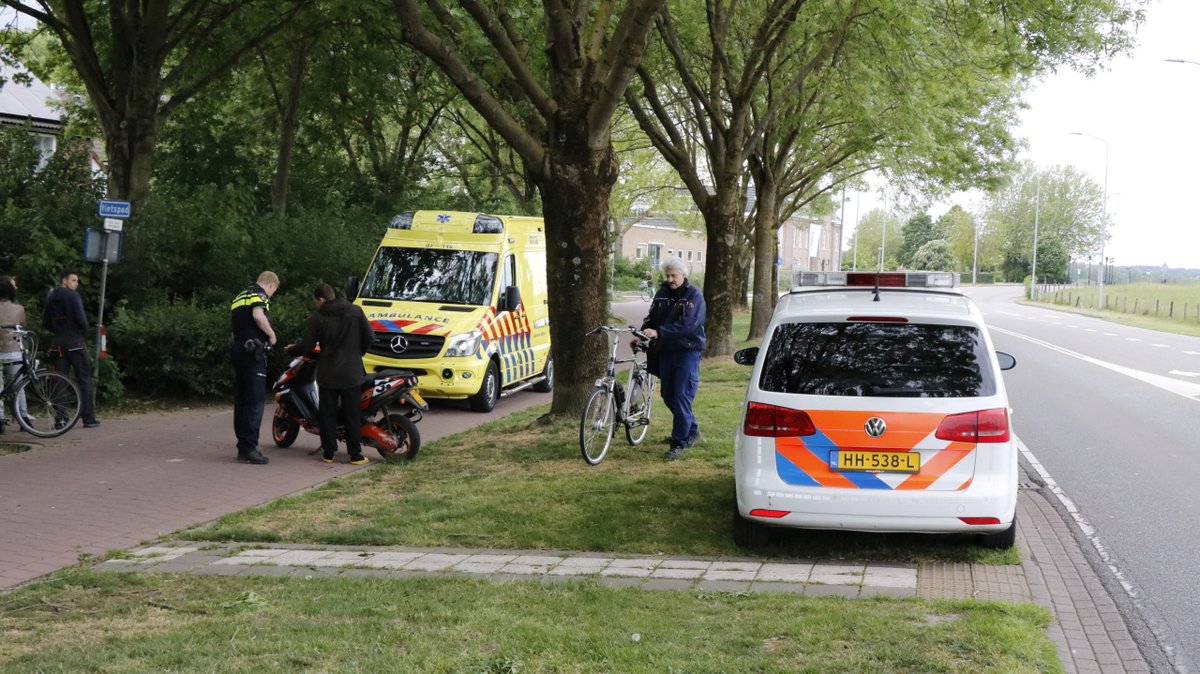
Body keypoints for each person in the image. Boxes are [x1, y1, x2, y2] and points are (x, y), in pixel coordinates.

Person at [286, 283, 374, 465]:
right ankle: (355, 455)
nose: (316, 305)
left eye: (316, 302)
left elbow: (307, 346)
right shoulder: (355, 311)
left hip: (328, 373)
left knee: (327, 414)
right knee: (352, 414)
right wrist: (357, 353)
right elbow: (370, 337)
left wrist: (291, 349)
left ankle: (328, 453)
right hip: (352, 372)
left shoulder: (317, 317)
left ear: (320, 299)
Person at [639, 256, 706, 460]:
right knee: (668, 395)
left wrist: (660, 332)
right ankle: (691, 430)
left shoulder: (694, 295)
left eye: (673, 276)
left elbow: (689, 324)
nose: (670, 279)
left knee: (681, 395)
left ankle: (679, 442)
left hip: (687, 351)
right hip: (666, 351)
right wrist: (642, 335)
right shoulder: (661, 294)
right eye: (667, 276)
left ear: (683, 275)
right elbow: (651, 319)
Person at [230, 271, 279, 464]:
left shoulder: (240, 296)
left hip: (238, 350)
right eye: (273, 291)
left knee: (242, 399)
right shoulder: (259, 295)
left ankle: (243, 447)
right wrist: (272, 335)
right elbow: (258, 316)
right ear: (272, 285)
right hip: (253, 353)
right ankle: (249, 448)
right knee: (255, 400)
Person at [43, 269, 100, 428]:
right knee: (84, 379)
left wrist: (57, 331)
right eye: (74, 280)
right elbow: (81, 320)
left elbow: (46, 322)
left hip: (58, 342)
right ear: (64, 280)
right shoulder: (73, 296)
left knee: (59, 380)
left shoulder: (50, 297)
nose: (77, 284)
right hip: (75, 341)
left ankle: (61, 419)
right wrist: (82, 335)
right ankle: (88, 418)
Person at [0, 276, 31, 432]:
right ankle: (24, 419)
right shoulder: (19, 309)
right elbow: (23, 327)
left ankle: (0, 421)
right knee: (19, 387)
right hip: (14, 352)